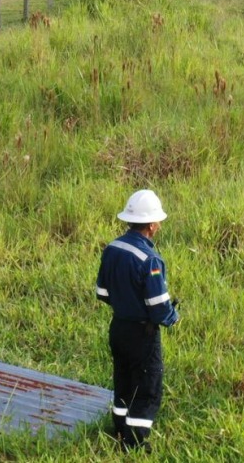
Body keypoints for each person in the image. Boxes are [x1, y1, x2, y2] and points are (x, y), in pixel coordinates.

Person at [96, 188, 181, 451]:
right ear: (153, 225)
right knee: (147, 388)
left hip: (118, 327)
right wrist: (173, 316)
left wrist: (126, 304)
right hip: (142, 335)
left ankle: (119, 430)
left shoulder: (112, 248)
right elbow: (158, 308)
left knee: (123, 381)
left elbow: (103, 292)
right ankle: (134, 444)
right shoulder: (151, 259)